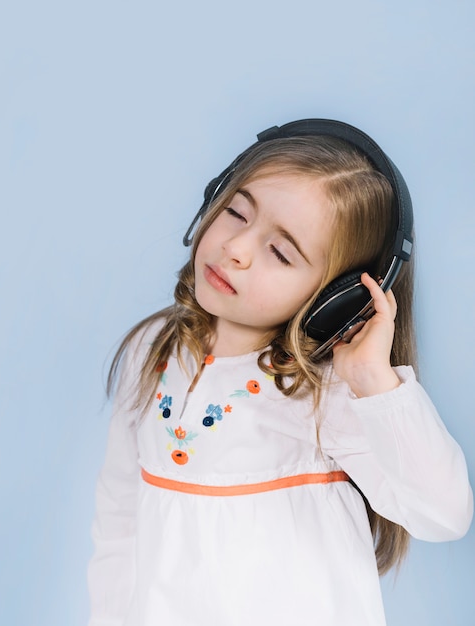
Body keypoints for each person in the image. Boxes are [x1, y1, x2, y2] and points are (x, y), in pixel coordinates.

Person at [87, 119, 473, 626]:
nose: (237, 249)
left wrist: (373, 380)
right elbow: (119, 522)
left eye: (280, 252)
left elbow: (443, 514)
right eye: (236, 212)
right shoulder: (152, 351)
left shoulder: (328, 392)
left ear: (339, 299)